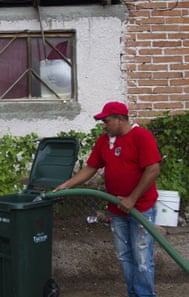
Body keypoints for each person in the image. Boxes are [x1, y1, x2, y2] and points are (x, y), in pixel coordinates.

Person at [54, 101, 162, 297]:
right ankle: (134, 293)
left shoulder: (141, 136)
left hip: (141, 208)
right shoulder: (105, 140)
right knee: (124, 256)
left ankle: (145, 295)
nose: (103, 125)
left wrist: (132, 198)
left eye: (106, 121)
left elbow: (153, 169)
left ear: (120, 119)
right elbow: (91, 168)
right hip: (116, 209)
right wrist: (67, 185)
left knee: (142, 258)